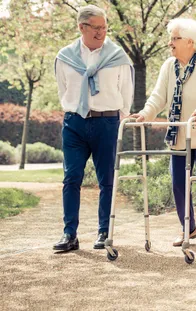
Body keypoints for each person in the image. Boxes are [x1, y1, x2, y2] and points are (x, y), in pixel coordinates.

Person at [128, 18, 196, 251]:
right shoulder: (169, 66)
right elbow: (158, 97)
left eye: (175, 38)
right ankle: (188, 228)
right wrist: (144, 113)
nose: (170, 43)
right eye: (170, 38)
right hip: (179, 135)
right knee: (179, 183)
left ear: (190, 42)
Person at [53, 5, 134, 252]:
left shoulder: (118, 56)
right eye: (96, 28)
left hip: (106, 123)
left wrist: (116, 121)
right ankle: (70, 234)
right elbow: (62, 90)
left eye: (104, 28)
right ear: (82, 27)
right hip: (75, 123)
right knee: (71, 178)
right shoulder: (65, 56)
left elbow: (126, 93)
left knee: (107, 180)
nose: (101, 33)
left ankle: (103, 232)